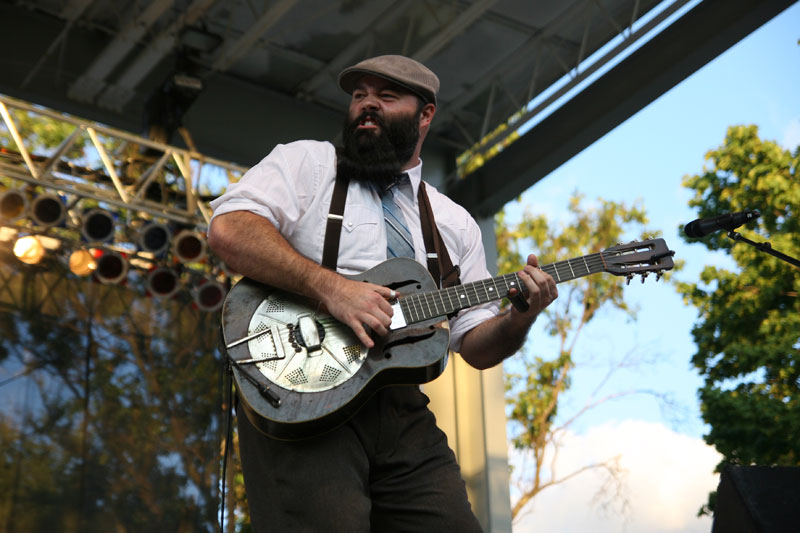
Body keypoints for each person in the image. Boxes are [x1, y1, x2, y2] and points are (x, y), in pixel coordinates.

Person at [207, 54, 557, 532]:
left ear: (425, 114)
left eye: (386, 96)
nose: (367, 105)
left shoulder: (454, 223)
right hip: (301, 391)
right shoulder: (307, 163)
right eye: (359, 95)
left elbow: (475, 345)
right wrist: (332, 289)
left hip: (399, 407)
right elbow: (229, 231)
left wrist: (521, 317)